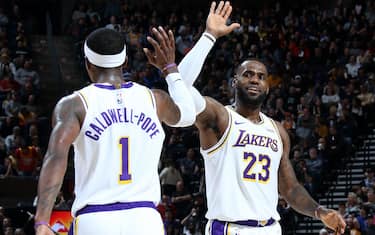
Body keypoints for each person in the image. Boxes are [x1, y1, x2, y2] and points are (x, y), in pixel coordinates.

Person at [174, 1, 347, 234]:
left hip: (270, 228)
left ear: (267, 87)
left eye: (261, 76)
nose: (255, 79)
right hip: (230, 229)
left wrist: (320, 211)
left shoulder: (277, 131)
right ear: (234, 82)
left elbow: (291, 189)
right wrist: (209, 35)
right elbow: (179, 86)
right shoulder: (219, 117)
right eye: (247, 75)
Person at [34, 27, 196, 235]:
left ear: (88, 64)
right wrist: (170, 69)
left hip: (95, 219)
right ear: (125, 62)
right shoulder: (156, 100)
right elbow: (188, 115)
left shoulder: (74, 105)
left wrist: (42, 220)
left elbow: (55, 157)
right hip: (145, 221)